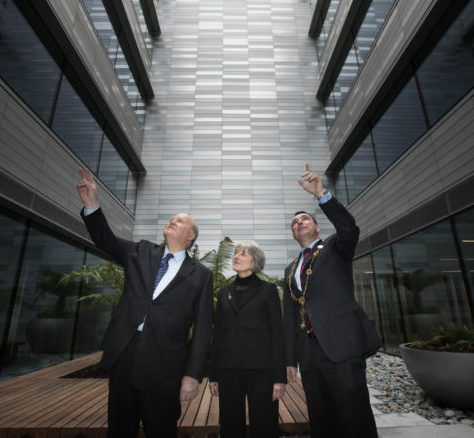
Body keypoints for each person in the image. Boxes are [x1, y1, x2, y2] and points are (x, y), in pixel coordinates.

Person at [76, 167, 213, 438]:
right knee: (120, 429)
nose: (172, 221)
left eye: (180, 221)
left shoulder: (201, 276)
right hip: (124, 353)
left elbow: (202, 330)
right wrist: (92, 203)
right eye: (171, 219)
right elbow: (106, 239)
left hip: (164, 364)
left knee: (161, 429)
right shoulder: (139, 251)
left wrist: (192, 375)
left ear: (190, 237)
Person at [283, 163, 383, 438]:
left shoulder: (336, 248)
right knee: (321, 415)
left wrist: (321, 195)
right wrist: (291, 359)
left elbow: (349, 228)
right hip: (309, 352)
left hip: (341, 345)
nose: (298, 223)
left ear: (316, 226)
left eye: (304, 219)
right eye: (294, 222)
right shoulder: (290, 269)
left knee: (353, 414)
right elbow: (290, 315)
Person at [208, 241, 286, 438]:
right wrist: (214, 375)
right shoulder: (224, 292)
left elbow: (277, 334)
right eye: (236, 252)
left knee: (265, 424)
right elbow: (218, 335)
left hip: (262, 371)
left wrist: (279, 378)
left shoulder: (268, 290)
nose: (237, 256)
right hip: (228, 370)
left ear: (255, 261)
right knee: (230, 424)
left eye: (243, 253)